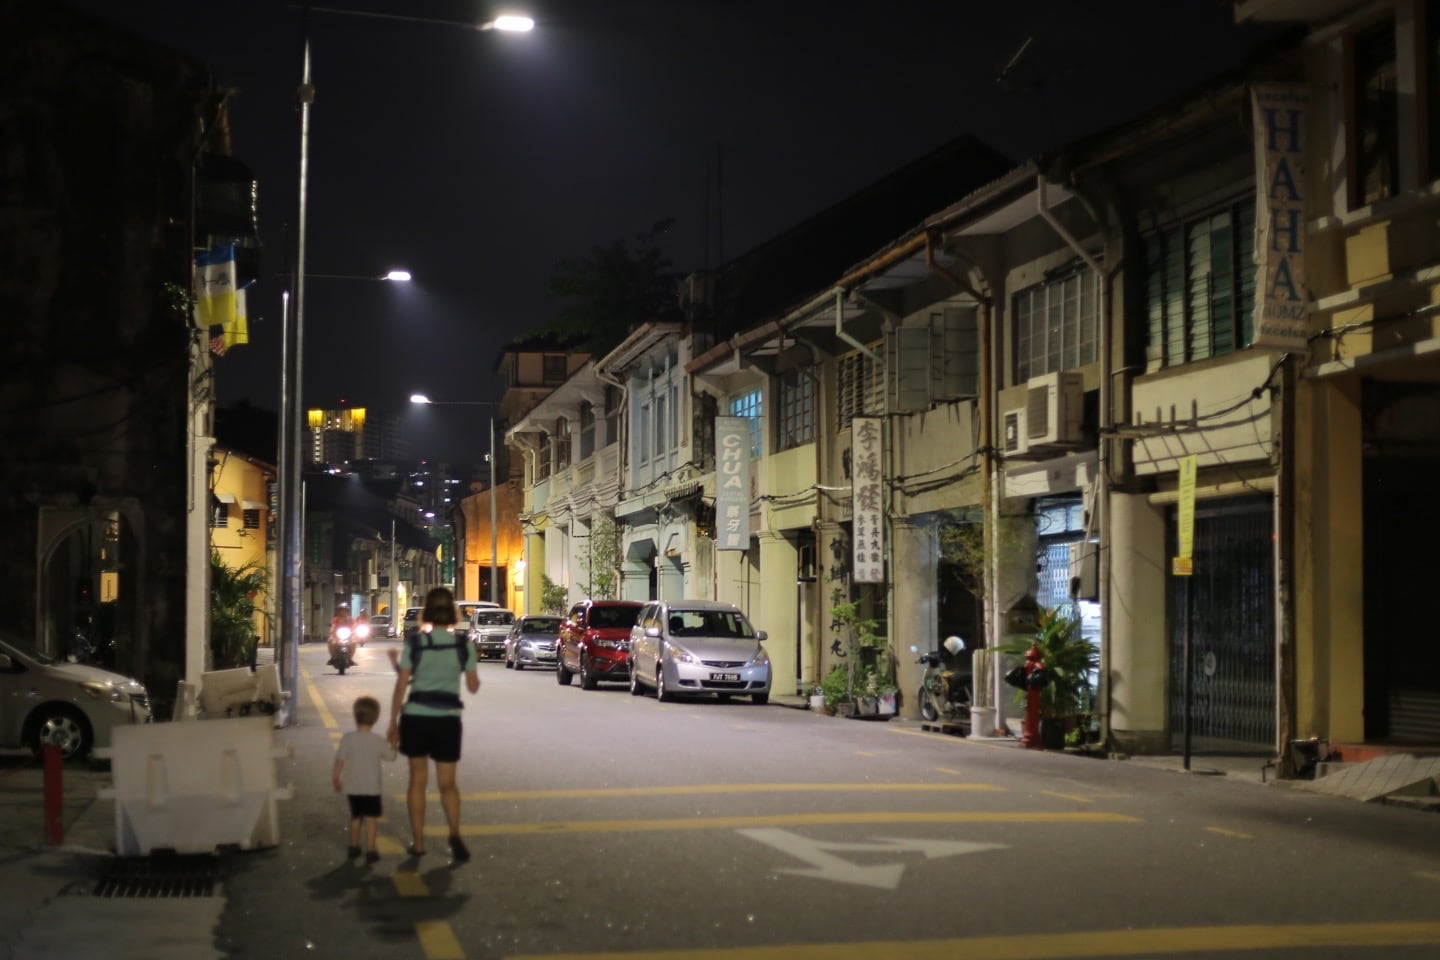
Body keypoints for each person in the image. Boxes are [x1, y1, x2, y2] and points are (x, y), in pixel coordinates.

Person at [387, 586, 480, 860]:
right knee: (448, 784)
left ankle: (418, 844)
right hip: (448, 720)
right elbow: (473, 687)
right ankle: (454, 833)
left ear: (427, 612)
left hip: (415, 717)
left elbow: (402, 685)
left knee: (417, 781)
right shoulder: (464, 646)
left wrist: (393, 723)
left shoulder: (415, 643)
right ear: (454, 612)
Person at [332, 695, 396, 864]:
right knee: (371, 819)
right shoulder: (378, 741)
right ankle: (371, 850)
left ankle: (353, 847)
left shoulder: (348, 738)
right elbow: (391, 757)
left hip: (353, 787)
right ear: (375, 718)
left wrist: (336, 778)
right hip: (371, 788)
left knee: (355, 817)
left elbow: (339, 760)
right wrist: (394, 742)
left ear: (355, 715)